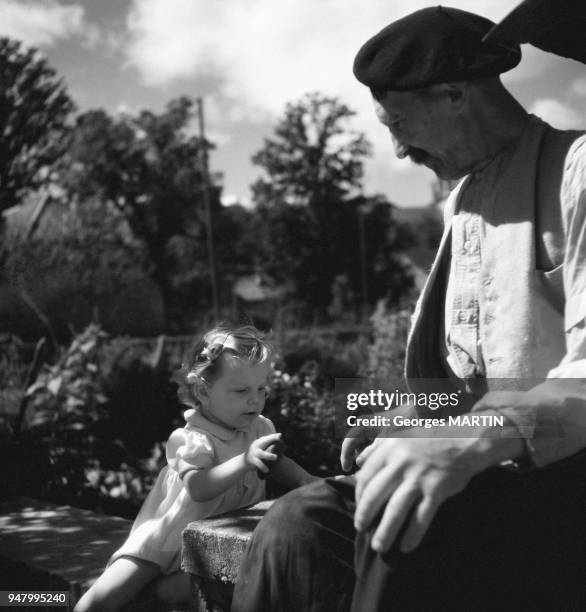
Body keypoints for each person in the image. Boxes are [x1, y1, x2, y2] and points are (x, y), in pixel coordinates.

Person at [231, 6, 586, 611]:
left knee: (411, 515)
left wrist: (462, 440)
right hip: (487, 473)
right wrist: (407, 411)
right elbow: (475, 384)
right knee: (297, 524)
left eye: (397, 122)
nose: (395, 150)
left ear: (453, 94)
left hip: (561, 482)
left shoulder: (577, 169)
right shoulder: (461, 204)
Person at [74, 325, 316, 612]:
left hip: (212, 547)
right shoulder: (192, 439)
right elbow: (198, 487)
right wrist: (245, 460)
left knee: (204, 586)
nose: (255, 399)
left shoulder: (259, 427)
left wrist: (308, 481)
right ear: (203, 391)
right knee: (104, 599)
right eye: (241, 390)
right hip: (165, 541)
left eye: (261, 388)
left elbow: (274, 463)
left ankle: (155, 596)